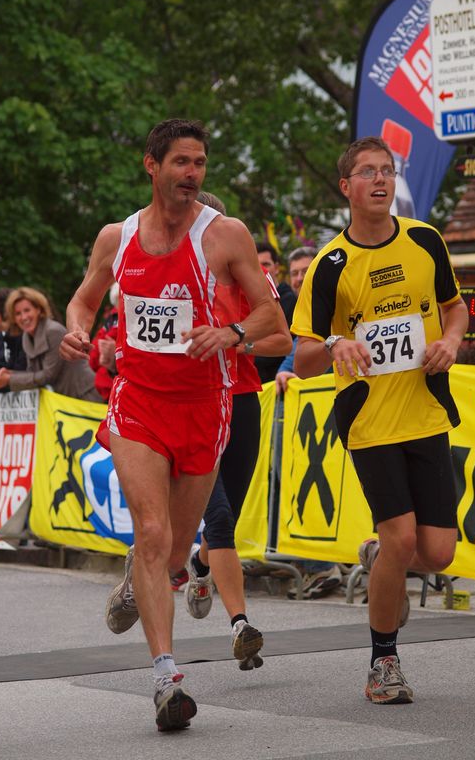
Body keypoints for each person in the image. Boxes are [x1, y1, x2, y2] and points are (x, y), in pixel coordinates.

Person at [60, 118, 279, 731]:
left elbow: (271, 316)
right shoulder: (119, 236)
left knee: (176, 551)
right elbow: (84, 299)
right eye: (182, 162)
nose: (192, 174)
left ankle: (142, 574)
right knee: (154, 531)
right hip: (138, 402)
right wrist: (77, 329)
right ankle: (166, 679)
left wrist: (231, 333)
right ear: (152, 165)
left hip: (205, 405)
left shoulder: (224, 234)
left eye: (200, 163)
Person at [292, 136, 468, 704]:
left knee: (437, 552)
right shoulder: (330, 265)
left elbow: (456, 308)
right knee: (402, 537)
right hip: (368, 421)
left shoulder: (425, 241)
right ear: (346, 187)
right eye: (368, 172)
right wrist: (336, 343)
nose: (380, 180)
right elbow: (303, 355)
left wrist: (451, 342)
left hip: (426, 412)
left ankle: (378, 557)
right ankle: (383, 663)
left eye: (387, 171)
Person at [181, 191, 293, 670]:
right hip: (193, 406)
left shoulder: (249, 274)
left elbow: (283, 339)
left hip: (243, 400)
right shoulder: (172, 273)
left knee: (227, 519)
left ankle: (200, 564)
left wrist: (236, 340)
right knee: (221, 518)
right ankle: (241, 626)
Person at [274, 246, 343, 599]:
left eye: (307, 270)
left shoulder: (340, 300)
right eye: (295, 273)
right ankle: (317, 563)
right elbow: (292, 360)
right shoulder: (302, 316)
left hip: (350, 415)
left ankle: (328, 564)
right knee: (303, 486)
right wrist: (285, 375)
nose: (300, 278)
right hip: (314, 425)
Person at [0, 286, 100, 401]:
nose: (23, 317)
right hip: (68, 399)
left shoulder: (53, 331)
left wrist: (9, 379)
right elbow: (32, 373)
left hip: (86, 394)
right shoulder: (26, 336)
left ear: (39, 309)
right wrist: (7, 374)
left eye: (27, 310)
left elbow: (48, 375)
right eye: (18, 313)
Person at [253, 241, 297, 383]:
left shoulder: (289, 300)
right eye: (255, 265)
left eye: (265, 264)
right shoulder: (251, 301)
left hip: (281, 382)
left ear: (277, 268)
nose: (261, 270)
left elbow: (288, 344)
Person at [88, 283, 119, 402]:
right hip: (108, 389)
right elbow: (94, 358)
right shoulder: (112, 321)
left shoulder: (111, 322)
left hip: (114, 389)